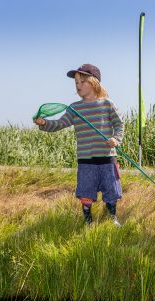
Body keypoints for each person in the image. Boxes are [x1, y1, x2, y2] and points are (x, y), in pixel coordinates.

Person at [34, 64, 124, 226]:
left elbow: (119, 124)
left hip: (107, 158)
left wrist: (116, 139)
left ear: (94, 82)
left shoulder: (107, 104)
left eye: (82, 82)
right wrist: (44, 123)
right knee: (86, 190)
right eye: (76, 82)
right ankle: (88, 220)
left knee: (111, 190)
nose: (78, 85)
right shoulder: (75, 109)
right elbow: (59, 124)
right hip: (85, 160)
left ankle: (112, 217)